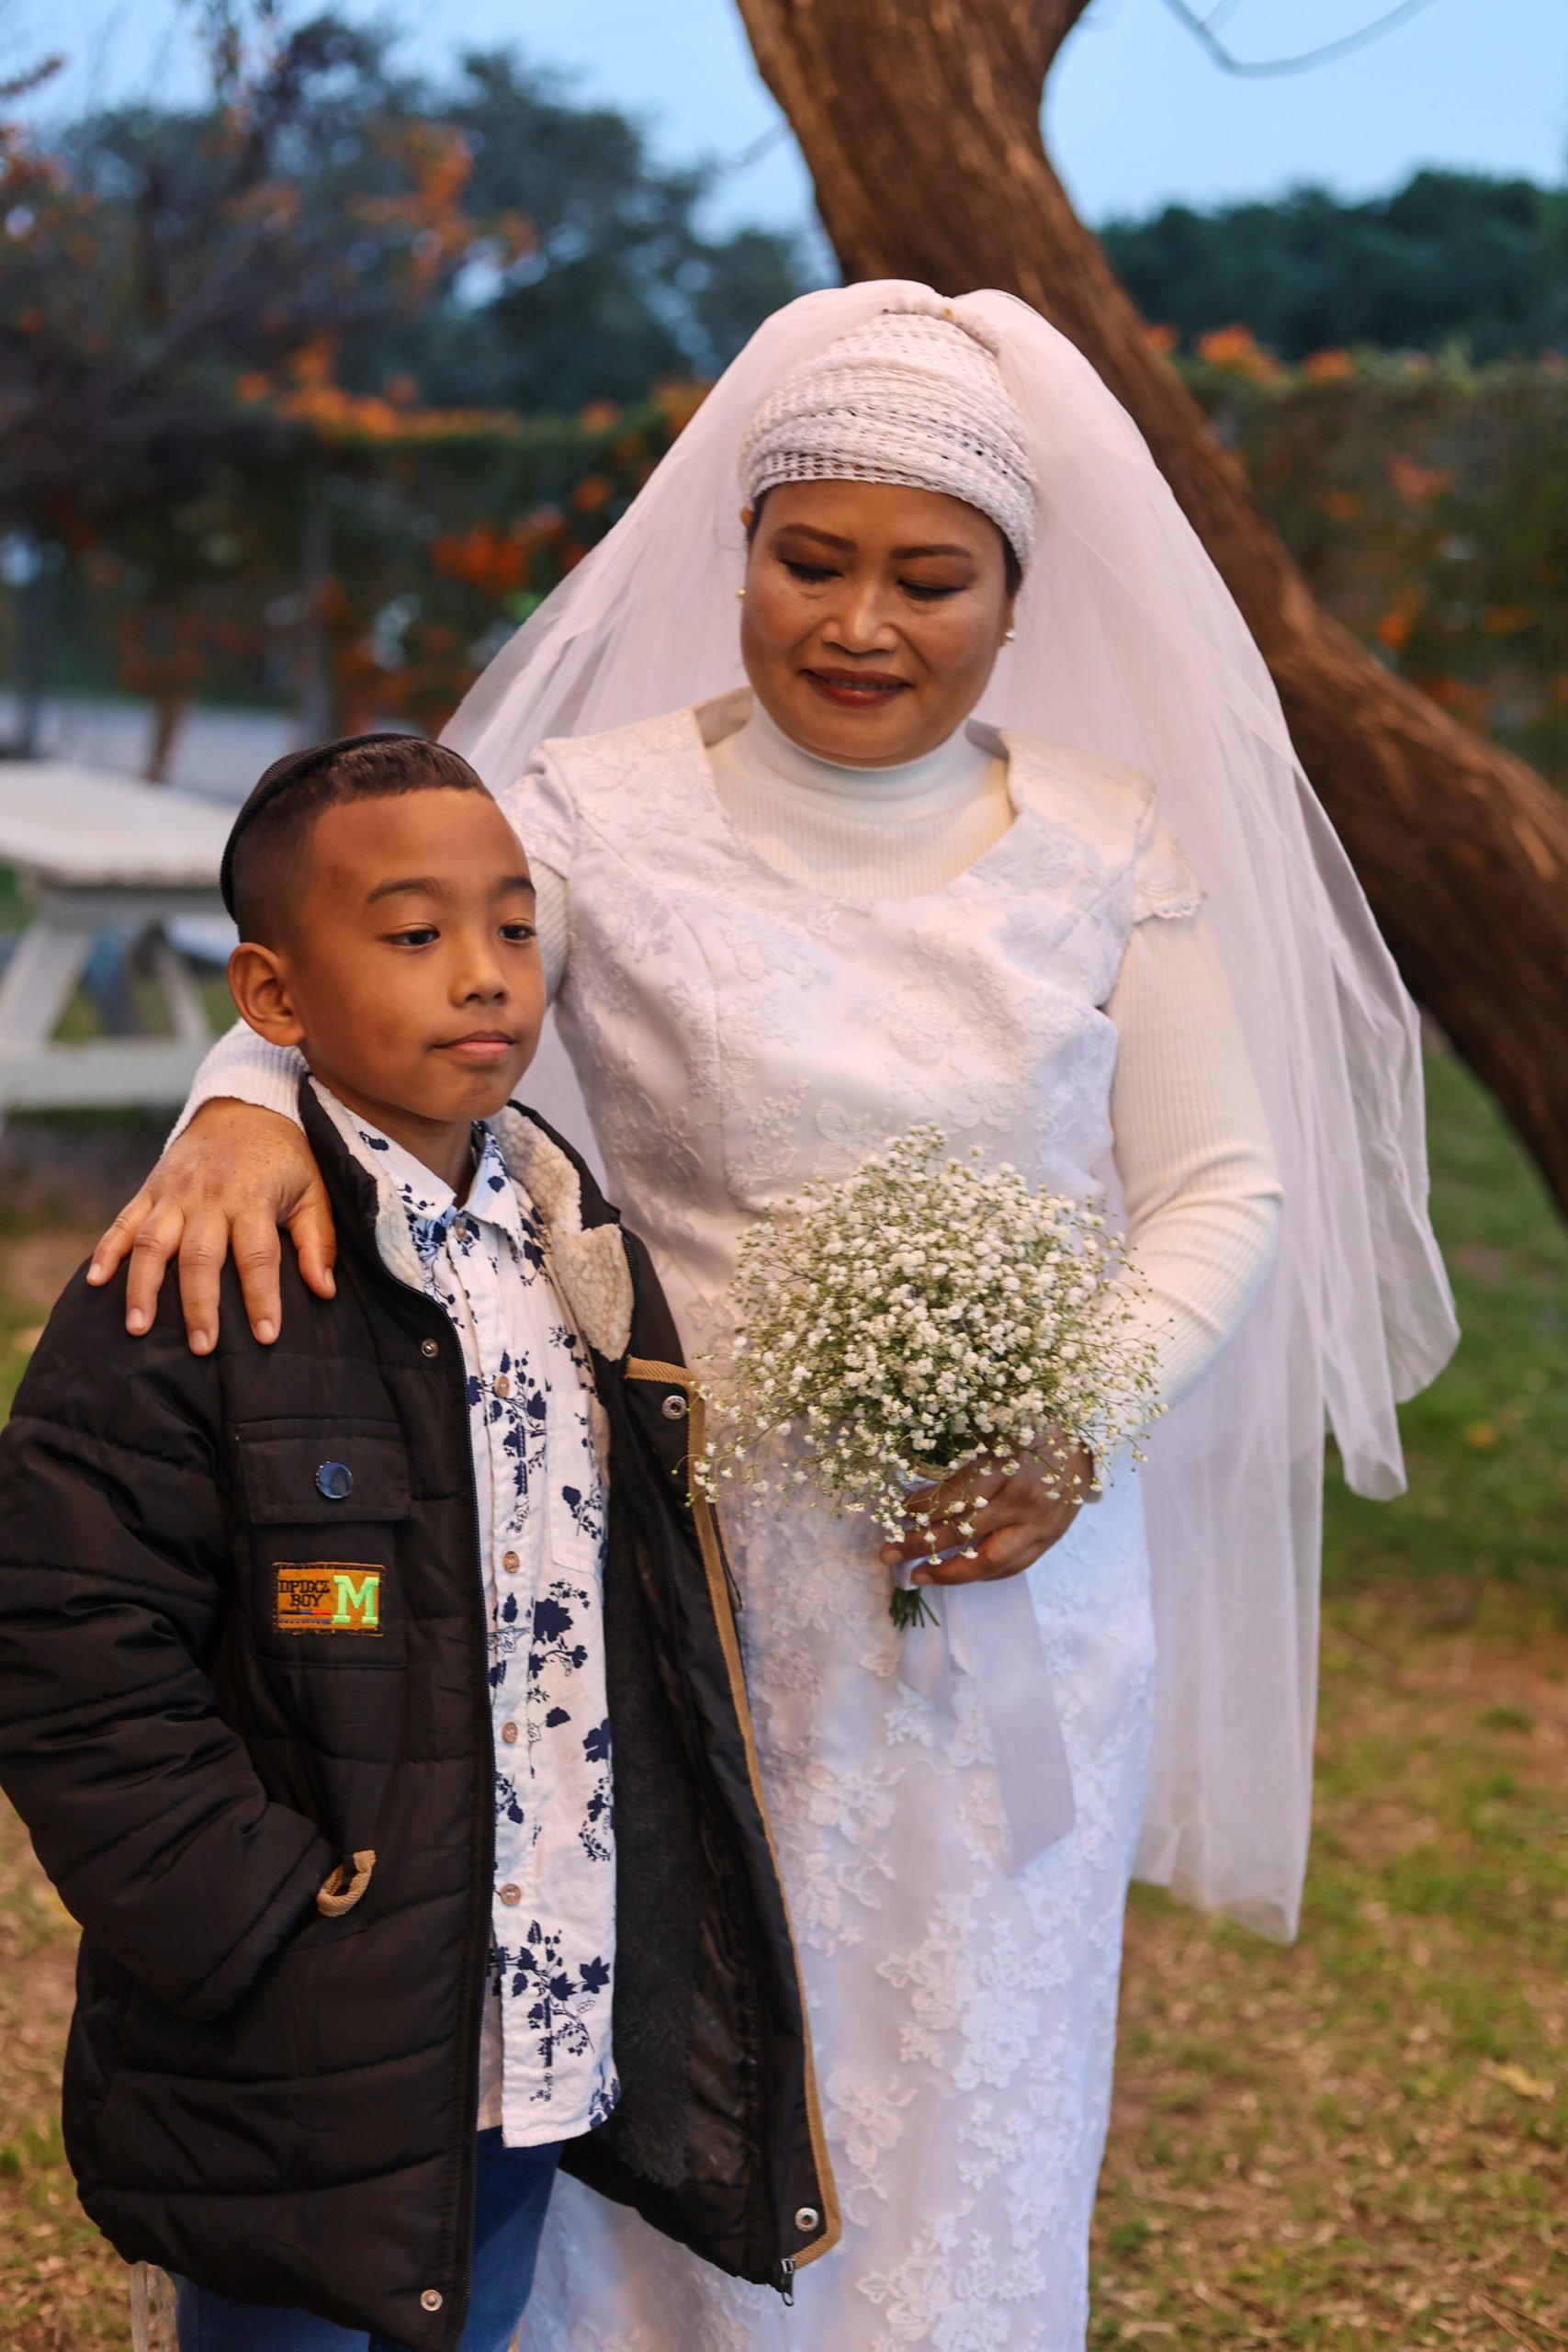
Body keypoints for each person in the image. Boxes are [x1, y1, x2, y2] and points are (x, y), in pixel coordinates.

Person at [90, 288, 1457, 2349]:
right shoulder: (590, 811)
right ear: (736, 550)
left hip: (1002, 1574)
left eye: (930, 578)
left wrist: (1069, 1425)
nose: (859, 622)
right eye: (808, 559)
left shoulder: (1106, 840)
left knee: (963, 2083)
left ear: (1013, 596)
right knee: (661, 2063)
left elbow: (1219, 1186)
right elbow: (379, 968)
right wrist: (230, 1105)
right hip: (663, 1580)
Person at [0, 735, 834, 2352]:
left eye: (515, 927)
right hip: (303, 2023)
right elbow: (63, 1635)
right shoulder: (206, 1267)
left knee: (478, 2319)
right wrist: (259, 1920)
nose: (483, 974)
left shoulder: (572, 1247)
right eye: (411, 933)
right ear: (273, 991)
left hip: (536, 1998)